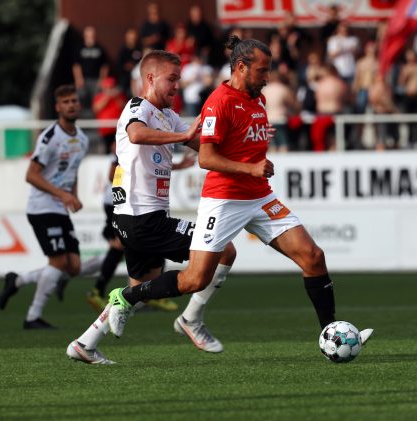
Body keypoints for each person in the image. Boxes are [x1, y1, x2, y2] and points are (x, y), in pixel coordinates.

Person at [105, 36, 373, 352]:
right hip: (224, 199)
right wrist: (250, 167)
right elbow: (206, 157)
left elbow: (219, 144)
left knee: (313, 257)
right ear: (242, 67)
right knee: (195, 279)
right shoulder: (218, 101)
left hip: (259, 196)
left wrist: (252, 145)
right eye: (262, 70)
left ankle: (331, 334)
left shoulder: (256, 100)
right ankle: (128, 296)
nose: (267, 77)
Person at [66, 50, 236, 364]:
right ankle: (192, 321)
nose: (177, 86)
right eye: (172, 79)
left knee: (142, 290)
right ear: (150, 78)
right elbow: (136, 133)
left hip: (143, 218)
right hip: (140, 218)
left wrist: (241, 141)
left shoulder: (168, 116)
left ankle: (84, 344)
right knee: (224, 250)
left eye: (179, 79)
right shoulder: (137, 107)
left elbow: (202, 145)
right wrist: (183, 134)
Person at [0, 85, 93, 329]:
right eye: (66, 102)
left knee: (74, 267)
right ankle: (32, 317)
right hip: (41, 207)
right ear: (58, 107)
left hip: (60, 207)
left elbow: (72, 171)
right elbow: (31, 175)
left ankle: (17, 281)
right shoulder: (50, 137)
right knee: (59, 262)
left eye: (74, 101)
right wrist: (62, 194)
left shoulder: (81, 139)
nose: (71, 105)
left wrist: (74, 195)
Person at [85, 142, 195, 312]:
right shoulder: (133, 141)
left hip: (140, 210)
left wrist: (178, 166)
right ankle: (99, 290)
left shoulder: (152, 141)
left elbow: (154, 167)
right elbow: (111, 174)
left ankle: (140, 295)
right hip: (121, 205)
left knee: (148, 244)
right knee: (119, 246)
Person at [72, 26, 109, 118]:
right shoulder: (80, 48)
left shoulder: (100, 48)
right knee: (80, 101)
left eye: (92, 35)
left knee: (96, 102)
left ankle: (95, 125)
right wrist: (78, 79)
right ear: (85, 36)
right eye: (88, 35)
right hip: (83, 80)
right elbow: (76, 66)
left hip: (96, 80)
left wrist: (102, 80)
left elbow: (104, 66)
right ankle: (81, 122)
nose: (90, 37)